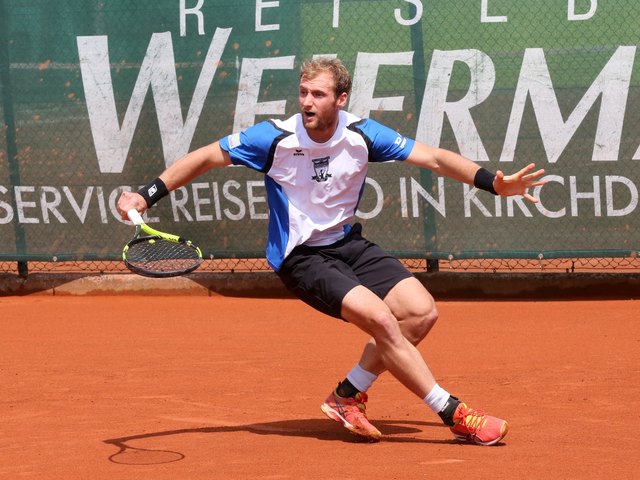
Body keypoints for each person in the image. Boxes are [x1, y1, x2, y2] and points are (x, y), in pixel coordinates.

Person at [117, 57, 545, 445]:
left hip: (347, 244)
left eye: (318, 94)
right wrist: (145, 195)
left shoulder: (362, 134)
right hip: (300, 256)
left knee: (419, 312)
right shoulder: (273, 138)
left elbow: (432, 158)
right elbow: (206, 157)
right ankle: (454, 413)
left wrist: (495, 183)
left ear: (340, 98)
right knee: (381, 319)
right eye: (303, 92)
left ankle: (346, 397)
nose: (307, 101)